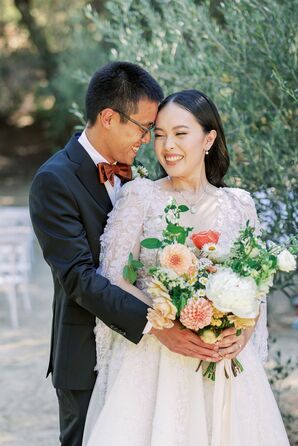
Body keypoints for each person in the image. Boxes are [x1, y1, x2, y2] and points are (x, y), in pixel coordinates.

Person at [82, 89, 290, 445]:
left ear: (208, 138)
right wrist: (169, 318)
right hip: (154, 361)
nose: (167, 146)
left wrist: (240, 333)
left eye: (180, 133)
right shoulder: (141, 196)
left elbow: (256, 285)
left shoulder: (239, 205)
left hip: (222, 364)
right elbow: (115, 277)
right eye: (160, 135)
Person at [29, 64, 222, 446]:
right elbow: (79, 279)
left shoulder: (137, 176)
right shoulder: (54, 180)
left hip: (142, 361)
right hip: (87, 355)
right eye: (144, 127)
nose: (150, 140)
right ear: (108, 117)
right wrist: (159, 328)